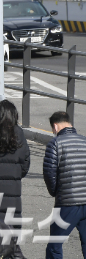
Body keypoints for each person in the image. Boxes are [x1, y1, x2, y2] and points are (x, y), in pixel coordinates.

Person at [43, 111, 86, 259]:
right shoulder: (84, 141)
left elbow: (49, 173)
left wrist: (55, 191)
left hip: (67, 202)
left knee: (55, 245)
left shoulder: (55, 143)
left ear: (55, 127)